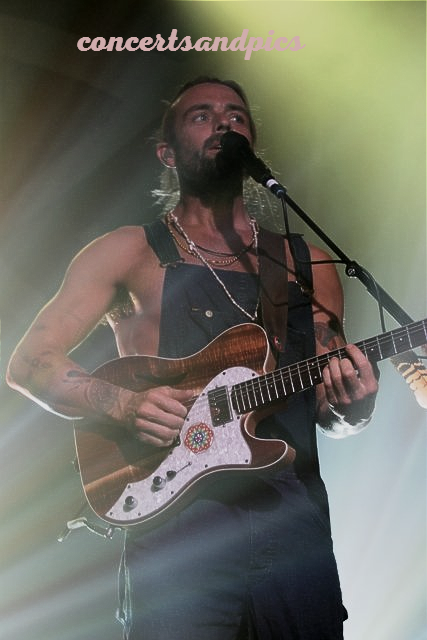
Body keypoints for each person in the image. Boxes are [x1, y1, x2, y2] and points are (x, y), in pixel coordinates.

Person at [7, 77, 379, 639]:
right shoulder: (129, 251)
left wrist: (356, 406)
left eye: (236, 115)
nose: (223, 122)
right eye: (201, 116)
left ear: (252, 146)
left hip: (292, 519)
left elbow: (330, 414)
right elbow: (30, 362)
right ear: (167, 153)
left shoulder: (310, 264)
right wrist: (123, 405)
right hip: (176, 525)